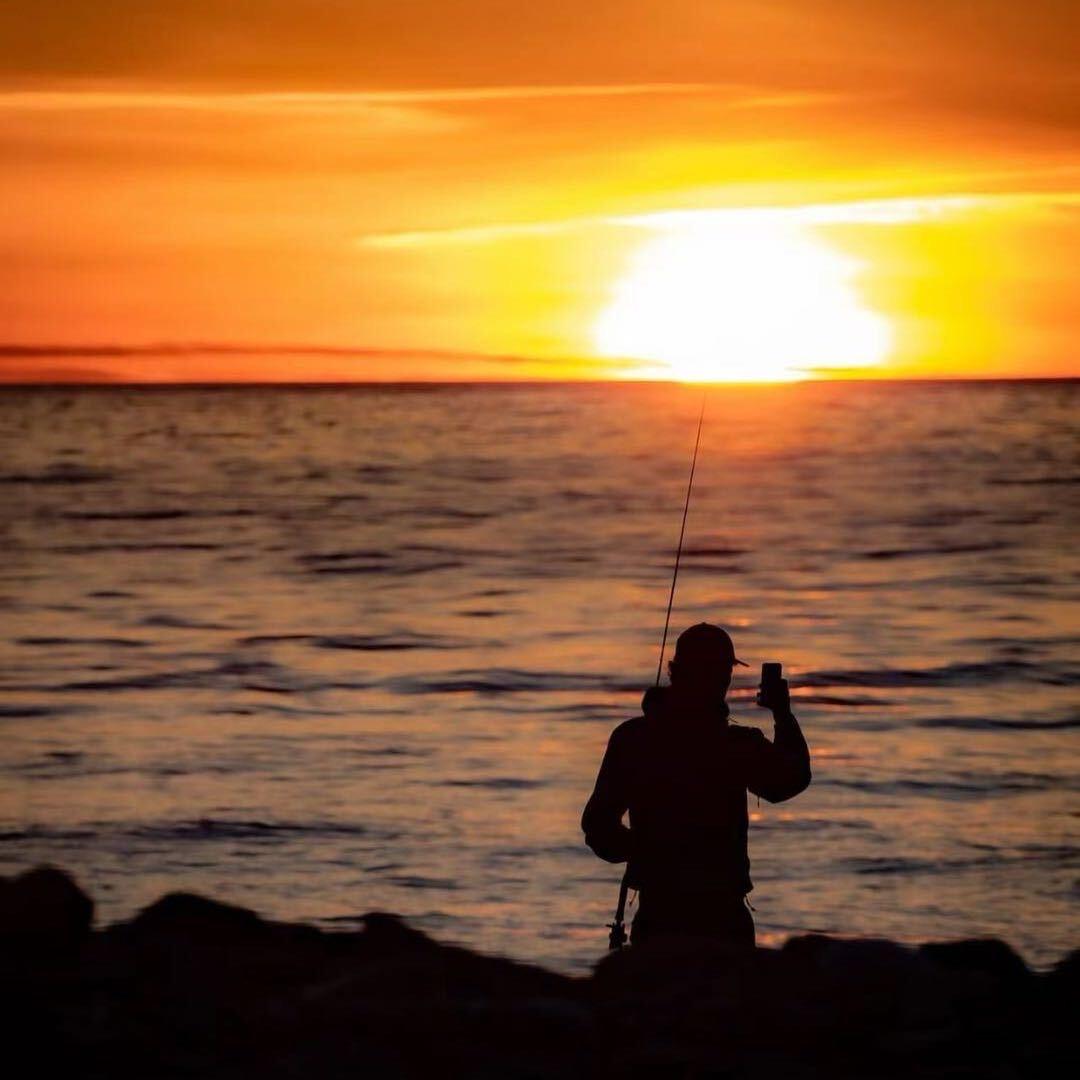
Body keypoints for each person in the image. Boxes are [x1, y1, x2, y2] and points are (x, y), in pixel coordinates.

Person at [581, 622, 811, 947]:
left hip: (658, 914)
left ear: (675, 671)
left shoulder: (633, 738)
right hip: (721, 918)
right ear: (722, 677)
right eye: (722, 671)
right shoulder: (734, 745)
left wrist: (647, 852)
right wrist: (783, 714)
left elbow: (598, 829)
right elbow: (791, 779)